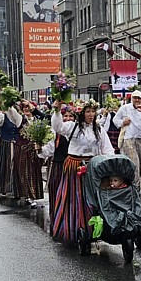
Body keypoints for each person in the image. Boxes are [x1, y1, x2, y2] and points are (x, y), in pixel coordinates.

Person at [51, 98, 114, 243]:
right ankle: (74, 227)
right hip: (75, 165)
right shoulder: (73, 127)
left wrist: (109, 161)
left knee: (93, 197)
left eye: (93, 111)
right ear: (82, 113)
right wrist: (56, 110)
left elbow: (107, 147)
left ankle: (93, 227)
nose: (91, 115)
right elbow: (57, 126)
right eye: (88, 112)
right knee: (75, 196)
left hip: (93, 165)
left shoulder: (98, 129)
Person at [38, 105, 74, 232]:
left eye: (71, 116)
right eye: (65, 116)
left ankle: (71, 219)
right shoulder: (56, 132)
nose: (68, 119)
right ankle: (56, 219)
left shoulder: (76, 131)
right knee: (56, 192)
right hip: (59, 166)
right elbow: (48, 150)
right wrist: (40, 149)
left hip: (74, 168)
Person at [113, 90, 141, 188]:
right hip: (129, 139)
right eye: (134, 98)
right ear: (131, 99)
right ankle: (134, 187)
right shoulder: (125, 108)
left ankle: (134, 184)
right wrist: (123, 122)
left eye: (138, 98)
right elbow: (115, 120)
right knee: (134, 163)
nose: (136, 100)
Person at [0, 96, 21, 196]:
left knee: (17, 167)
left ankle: (17, 188)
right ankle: (5, 187)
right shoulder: (3, 117)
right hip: (5, 143)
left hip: (16, 144)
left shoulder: (19, 118)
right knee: (5, 166)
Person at [12, 100, 44, 203]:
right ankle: (29, 195)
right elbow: (11, 111)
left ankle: (33, 193)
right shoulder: (20, 119)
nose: (26, 109)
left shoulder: (38, 120)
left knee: (35, 172)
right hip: (22, 149)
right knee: (25, 172)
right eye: (24, 107)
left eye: (28, 107)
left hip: (35, 150)